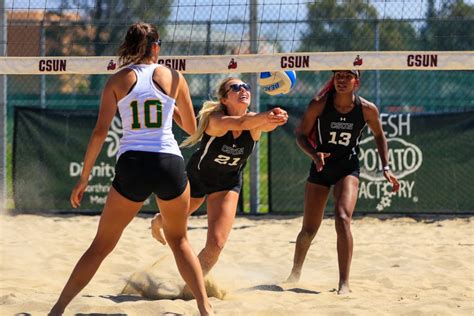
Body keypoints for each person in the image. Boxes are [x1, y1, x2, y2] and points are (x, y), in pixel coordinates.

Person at [49, 23, 213, 316]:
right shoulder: (174, 76)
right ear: (155, 47)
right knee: (180, 241)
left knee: (101, 246)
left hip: (134, 163)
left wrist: (84, 178)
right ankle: (204, 307)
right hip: (167, 162)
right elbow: (191, 128)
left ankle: (58, 308)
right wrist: (171, 110)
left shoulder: (117, 80)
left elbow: (100, 133)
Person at [151, 77, 288, 276]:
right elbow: (241, 122)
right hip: (198, 177)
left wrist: (275, 118)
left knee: (216, 244)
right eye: (236, 87)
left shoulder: (255, 122)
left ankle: (190, 287)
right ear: (224, 100)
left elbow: (262, 124)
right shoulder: (216, 120)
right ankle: (158, 220)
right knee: (173, 219)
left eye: (246, 86)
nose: (243, 90)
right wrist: (267, 116)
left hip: (228, 183)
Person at [286, 70, 400, 294]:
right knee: (308, 230)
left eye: (348, 76)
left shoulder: (366, 109)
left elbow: (379, 135)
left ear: (356, 81)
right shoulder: (319, 103)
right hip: (321, 166)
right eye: (338, 75)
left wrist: (385, 167)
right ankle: (295, 272)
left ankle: (344, 283)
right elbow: (300, 135)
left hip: (347, 167)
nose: (341, 79)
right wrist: (314, 154)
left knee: (342, 217)